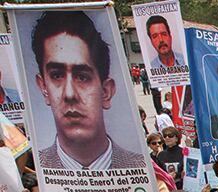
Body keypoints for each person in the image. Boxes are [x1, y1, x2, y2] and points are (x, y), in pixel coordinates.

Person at [31, 11, 146, 169]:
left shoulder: (143, 168)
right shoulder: (33, 171)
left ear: (106, 91)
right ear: (43, 87)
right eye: (57, 75)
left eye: (82, 77)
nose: (70, 94)